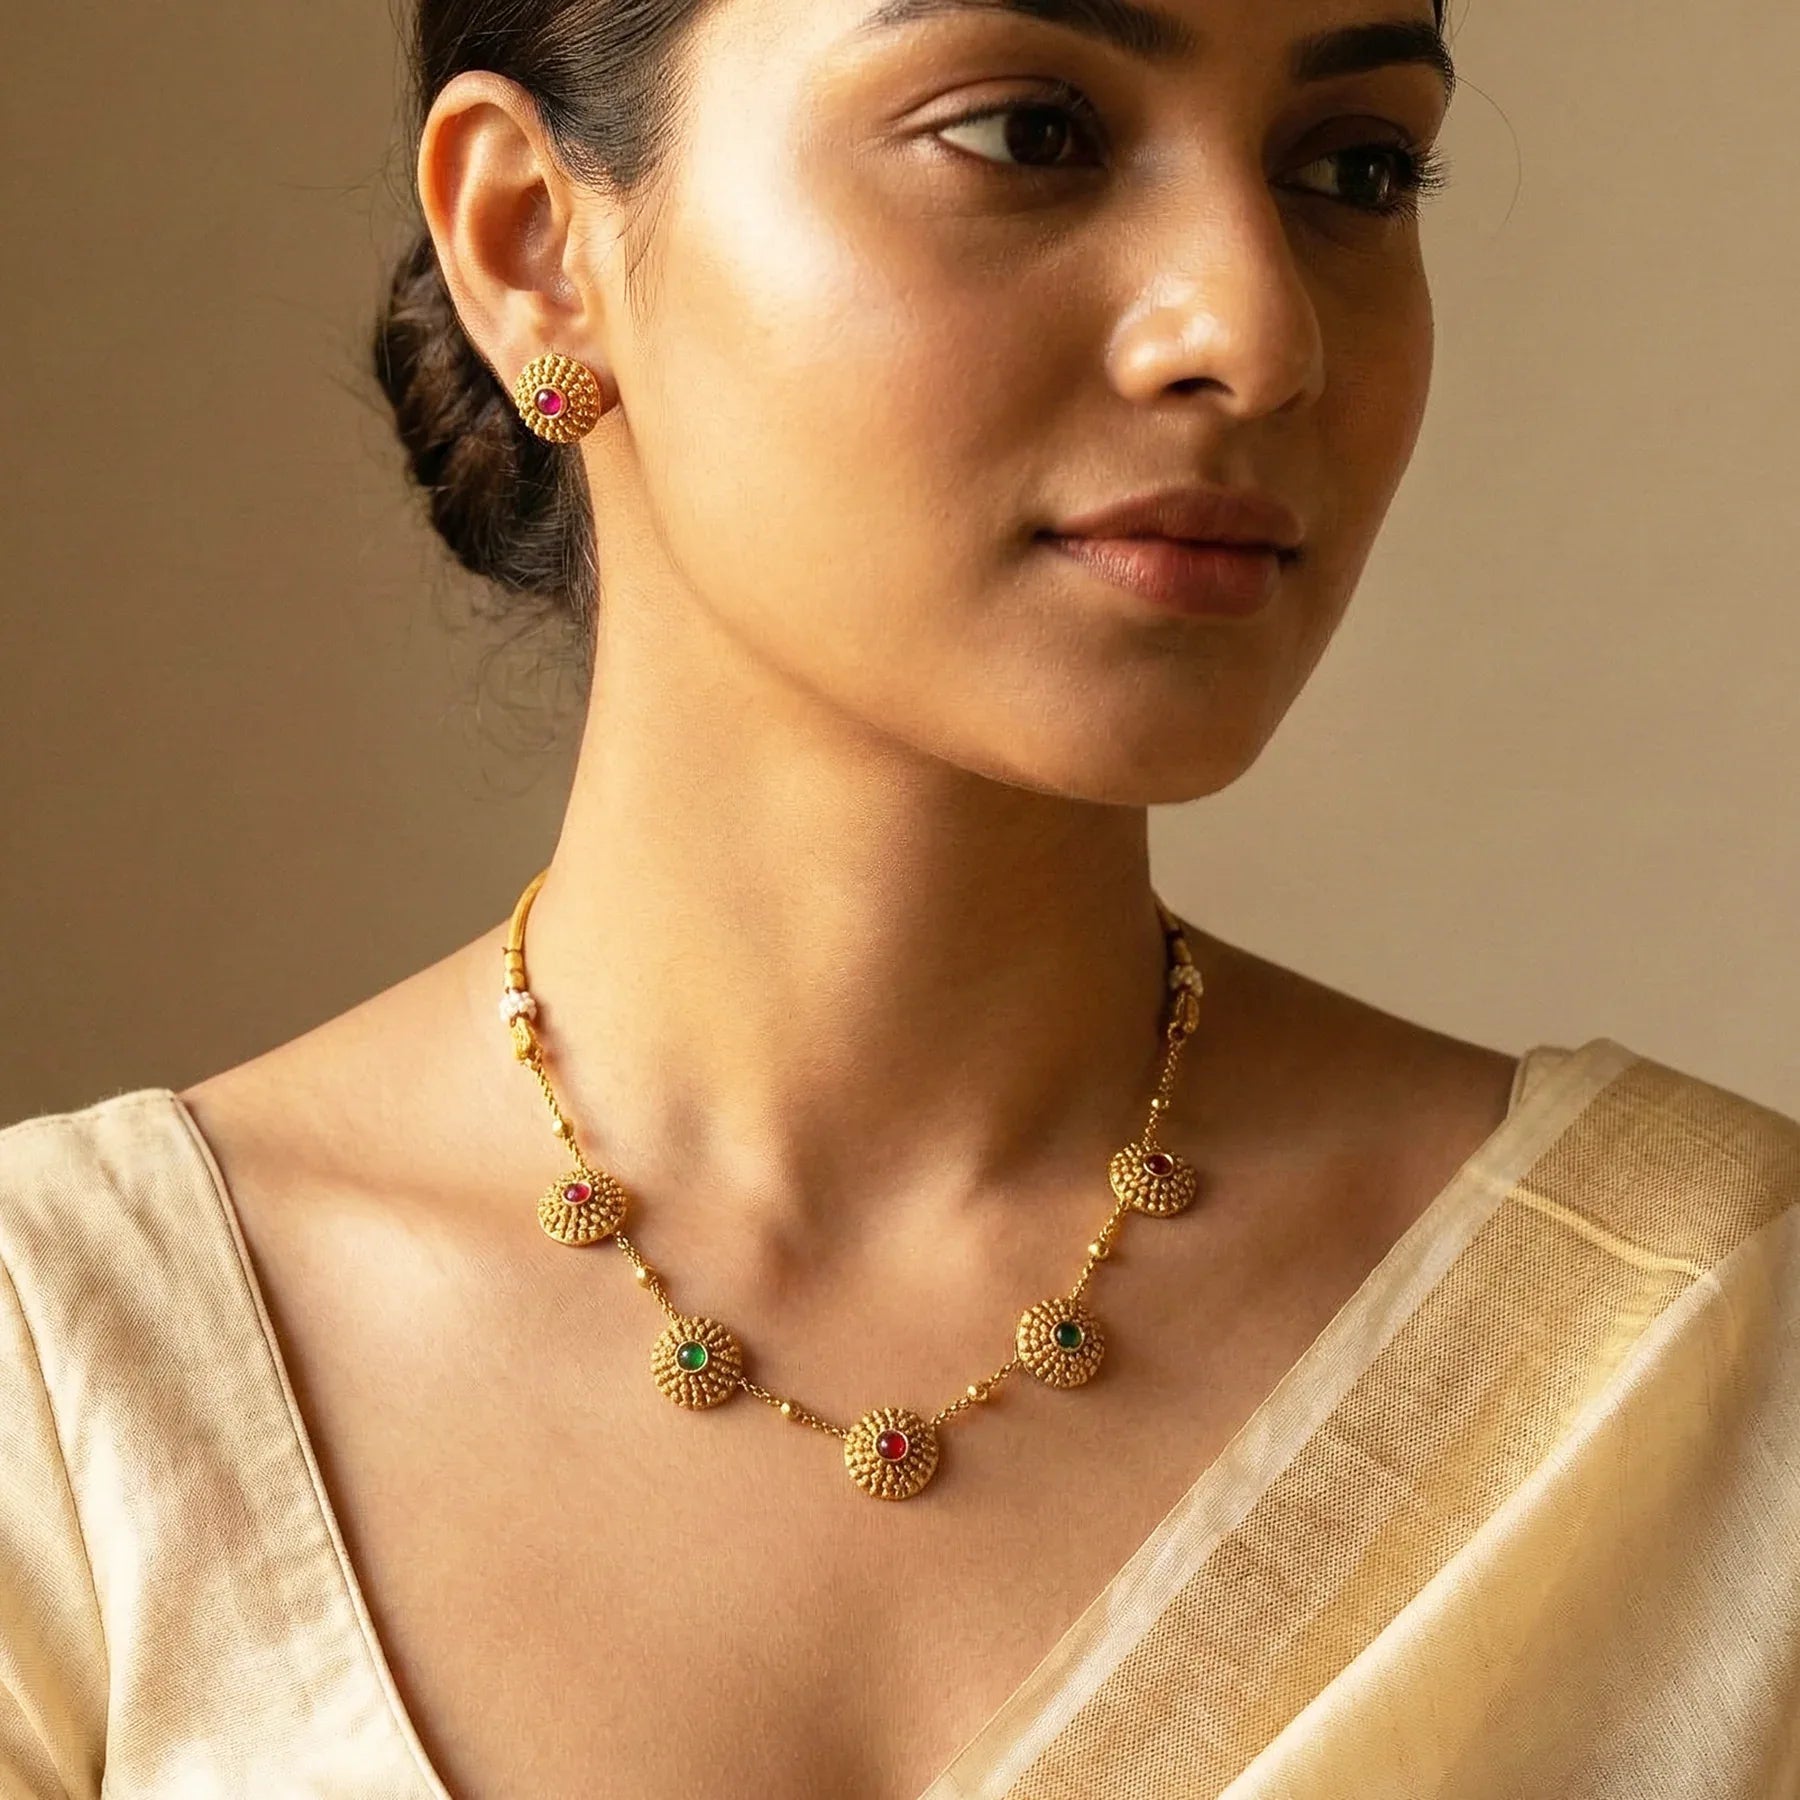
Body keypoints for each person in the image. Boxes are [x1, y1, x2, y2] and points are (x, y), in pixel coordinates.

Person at [3, 0, 1796, 1794]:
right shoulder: (63, 1399)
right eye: (1029, 133)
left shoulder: (1729, 1377)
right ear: (534, 245)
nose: (1258, 333)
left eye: (1355, 169)